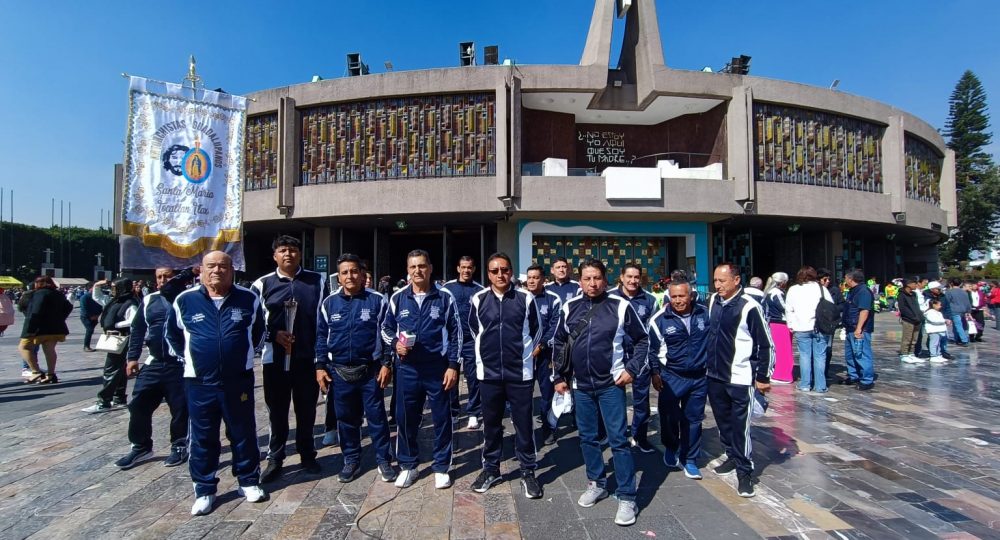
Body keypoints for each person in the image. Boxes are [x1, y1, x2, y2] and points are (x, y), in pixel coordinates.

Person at [165, 251, 267, 516]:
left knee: (243, 432)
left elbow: (258, 332)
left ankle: (248, 480)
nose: (217, 271)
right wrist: (192, 360)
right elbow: (173, 336)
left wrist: (241, 358)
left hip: (238, 381)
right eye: (211, 266)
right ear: (201, 270)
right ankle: (204, 488)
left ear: (232, 270)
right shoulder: (185, 300)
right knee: (203, 437)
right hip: (199, 383)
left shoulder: (248, 299)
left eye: (223, 266)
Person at [552, 258, 648, 527]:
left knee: (618, 440)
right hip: (581, 386)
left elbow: (642, 340)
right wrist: (559, 375)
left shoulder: (621, 306)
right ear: (579, 281)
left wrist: (631, 369)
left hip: (611, 386)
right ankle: (597, 482)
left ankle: (627, 496)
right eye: (587, 278)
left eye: (597, 278)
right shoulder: (569, 307)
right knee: (588, 438)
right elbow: (559, 342)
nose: (592, 283)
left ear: (605, 280)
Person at [381, 249, 461, 489]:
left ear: (430, 268)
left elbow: (457, 333)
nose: (418, 271)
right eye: (413, 267)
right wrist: (396, 344)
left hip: (437, 367)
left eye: (422, 266)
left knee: (441, 418)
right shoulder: (397, 298)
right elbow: (385, 329)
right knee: (406, 418)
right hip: (407, 369)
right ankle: (408, 465)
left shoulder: (445, 298)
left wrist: (453, 366)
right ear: (407, 270)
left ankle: (441, 466)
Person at [315, 253, 397, 484]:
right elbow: (321, 336)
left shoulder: (378, 300)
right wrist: (320, 366)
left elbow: (388, 333)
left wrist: (386, 363)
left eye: (354, 271)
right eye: (344, 272)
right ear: (338, 277)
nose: (350, 276)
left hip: (370, 371)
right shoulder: (329, 303)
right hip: (339, 371)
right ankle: (351, 459)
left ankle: (383, 459)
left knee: (377, 418)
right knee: (346, 419)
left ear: (362, 274)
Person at [467, 252, 543, 498]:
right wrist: (484, 355)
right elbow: (473, 330)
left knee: (523, 424)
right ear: (488, 274)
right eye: (494, 271)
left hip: (519, 373)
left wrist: (525, 353)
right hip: (488, 374)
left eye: (504, 270)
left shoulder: (525, 298)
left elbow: (537, 330)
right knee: (491, 425)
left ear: (511, 272)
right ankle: (491, 469)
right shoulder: (478, 299)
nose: (500, 274)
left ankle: (528, 471)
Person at [251, 235, 326, 482]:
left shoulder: (317, 281)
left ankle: (307, 454)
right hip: (275, 361)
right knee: (277, 411)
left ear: (300, 254)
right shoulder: (262, 285)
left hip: (307, 358)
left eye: (293, 250)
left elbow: (324, 320)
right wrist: (273, 334)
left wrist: (321, 359)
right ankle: (276, 457)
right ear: (274, 255)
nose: (288, 254)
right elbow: (253, 323)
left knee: (307, 410)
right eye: (283, 250)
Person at [113, 267, 192, 470]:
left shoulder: (188, 298)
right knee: (138, 404)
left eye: (168, 276)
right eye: (159, 277)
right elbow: (138, 329)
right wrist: (132, 358)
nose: (163, 280)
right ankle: (140, 445)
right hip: (155, 362)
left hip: (180, 364)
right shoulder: (149, 300)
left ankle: (179, 444)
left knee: (180, 407)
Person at [706, 263, 774, 498]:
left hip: (739, 377)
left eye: (722, 281)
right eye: (715, 280)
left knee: (740, 426)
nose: (718, 285)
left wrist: (764, 376)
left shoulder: (749, 306)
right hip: (714, 375)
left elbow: (766, 344)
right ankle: (732, 456)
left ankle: (745, 472)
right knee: (723, 422)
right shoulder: (714, 300)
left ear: (736, 281)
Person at [648, 279, 709, 480]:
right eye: (673, 296)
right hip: (671, 377)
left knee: (693, 420)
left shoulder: (704, 314)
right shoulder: (659, 319)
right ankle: (671, 446)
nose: (677, 300)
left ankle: (690, 459)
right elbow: (652, 350)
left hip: (699, 377)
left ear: (691, 295)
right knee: (669, 418)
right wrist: (655, 373)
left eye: (682, 296)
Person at [609, 262, 658, 453]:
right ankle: (616, 436)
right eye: (629, 276)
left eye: (636, 277)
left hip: (640, 356)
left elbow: (651, 333)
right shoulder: (610, 297)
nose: (632, 280)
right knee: (614, 399)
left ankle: (640, 436)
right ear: (621, 277)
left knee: (641, 401)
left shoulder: (650, 300)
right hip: (616, 356)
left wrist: (653, 364)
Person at [82, 278, 139, 412]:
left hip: (122, 337)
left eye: (115, 288)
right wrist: (97, 285)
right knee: (119, 368)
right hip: (113, 337)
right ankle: (119, 398)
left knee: (111, 369)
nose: (113, 291)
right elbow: (98, 297)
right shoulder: (115, 301)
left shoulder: (130, 303)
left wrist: (117, 325)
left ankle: (104, 401)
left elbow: (134, 320)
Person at [442, 256, 484, 429]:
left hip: (471, 341)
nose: (466, 270)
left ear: (473, 269)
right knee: (450, 377)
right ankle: (453, 411)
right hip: (452, 340)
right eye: (463, 267)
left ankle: (473, 412)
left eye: (470, 267)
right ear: (458, 269)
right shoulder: (447, 288)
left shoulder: (480, 290)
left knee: (473, 378)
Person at [522, 264, 562, 446]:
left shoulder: (553, 299)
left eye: (536, 277)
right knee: (522, 394)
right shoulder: (520, 298)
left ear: (544, 279)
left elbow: (555, 326)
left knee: (546, 394)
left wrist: (542, 345)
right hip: (523, 356)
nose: (531, 280)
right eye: (529, 277)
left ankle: (548, 428)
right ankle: (523, 431)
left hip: (545, 355)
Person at [785, 266, 833, 392]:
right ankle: (820, 386)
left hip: (801, 327)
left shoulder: (793, 290)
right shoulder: (821, 289)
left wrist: (790, 324)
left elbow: (789, 309)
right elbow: (831, 306)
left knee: (805, 356)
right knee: (820, 356)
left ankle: (805, 384)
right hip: (820, 326)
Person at [19, 276, 73, 384]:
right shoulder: (58, 294)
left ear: (38, 284)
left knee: (23, 347)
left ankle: (35, 371)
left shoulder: (39, 293)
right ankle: (51, 375)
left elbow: (36, 310)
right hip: (56, 328)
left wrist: (31, 328)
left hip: (39, 328)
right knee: (49, 350)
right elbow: (69, 307)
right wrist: (60, 318)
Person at [842, 269, 875, 391]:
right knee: (850, 354)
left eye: (846, 278)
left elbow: (864, 311)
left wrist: (859, 328)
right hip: (850, 327)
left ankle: (866, 380)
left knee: (861, 354)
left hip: (860, 329)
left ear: (851, 279)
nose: (845, 280)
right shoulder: (852, 291)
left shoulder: (863, 291)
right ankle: (853, 375)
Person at [762, 272, 792, 384]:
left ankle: (777, 373)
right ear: (782, 282)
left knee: (777, 350)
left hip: (773, 323)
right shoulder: (776, 293)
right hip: (780, 323)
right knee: (783, 351)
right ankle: (782, 375)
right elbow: (785, 307)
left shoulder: (768, 293)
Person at [896, 278, 924, 364]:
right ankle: (904, 354)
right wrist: (912, 317)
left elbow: (916, 306)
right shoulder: (901, 295)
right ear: (908, 284)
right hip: (908, 320)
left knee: (914, 338)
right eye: (914, 284)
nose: (916, 285)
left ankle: (911, 354)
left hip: (917, 319)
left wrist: (919, 316)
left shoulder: (914, 294)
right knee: (907, 338)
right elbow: (903, 309)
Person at [944, 278, 971, 346]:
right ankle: (957, 339)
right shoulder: (964, 292)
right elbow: (968, 302)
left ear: (952, 283)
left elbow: (946, 302)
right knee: (957, 325)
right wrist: (968, 311)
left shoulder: (949, 292)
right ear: (961, 284)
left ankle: (964, 340)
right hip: (963, 310)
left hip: (954, 310)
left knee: (958, 325)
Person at [923, 299, 948, 364]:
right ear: (934, 305)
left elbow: (940, 319)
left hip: (939, 330)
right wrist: (944, 321)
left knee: (938, 344)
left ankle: (938, 354)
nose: (940, 306)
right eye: (939, 305)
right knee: (934, 343)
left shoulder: (939, 312)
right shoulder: (930, 312)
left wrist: (945, 321)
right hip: (933, 330)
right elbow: (934, 320)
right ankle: (933, 356)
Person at [78, 284, 102, 352]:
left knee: (90, 331)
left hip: (95, 317)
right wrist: (91, 316)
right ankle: (86, 346)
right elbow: (84, 308)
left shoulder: (98, 297)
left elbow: (101, 306)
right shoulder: (84, 297)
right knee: (89, 330)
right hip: (86, 317)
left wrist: (97, 315)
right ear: (91, 289)